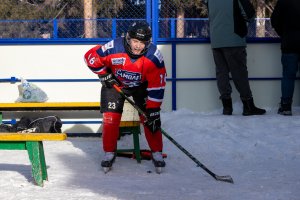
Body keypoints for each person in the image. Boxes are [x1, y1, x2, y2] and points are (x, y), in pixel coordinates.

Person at [84, 21, 167, 172]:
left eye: (142, 43)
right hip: (115, 85)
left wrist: (153, 110)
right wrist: (103, 74)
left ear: (148, 43)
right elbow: (90, 57)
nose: (138, 46)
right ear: (128, 38)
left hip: (141, 87)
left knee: (151, 119)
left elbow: (158, 85)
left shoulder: (154, 57)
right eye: (135, 41)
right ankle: (109, 152)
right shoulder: (114, 47)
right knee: (110, 118)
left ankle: (157, 152)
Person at [205, 0, 266, 116]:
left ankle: (227, 107)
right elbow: (250, 15)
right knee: (239, 73)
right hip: (234, 39)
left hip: (216, 40)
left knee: (221, 73)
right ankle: (248, 106)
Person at [271, 0, 300, 116]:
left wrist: (284, 33)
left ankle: (286, 106)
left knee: (288, 75)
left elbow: (274, 20)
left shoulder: (284, 1)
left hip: (289, 42)